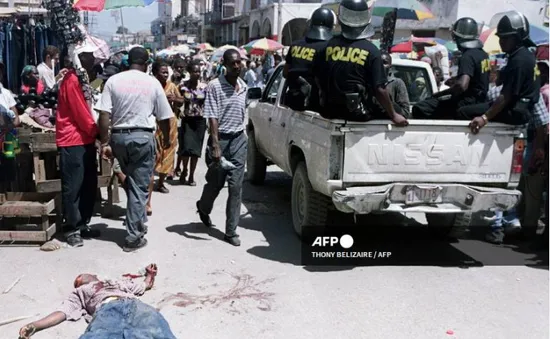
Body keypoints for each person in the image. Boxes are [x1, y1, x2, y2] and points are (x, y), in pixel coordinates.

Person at [96, 47, 173, 252]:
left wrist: (105, 143)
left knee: (131, 181)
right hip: (142, 137)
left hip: (119, 137)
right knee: (139, 186)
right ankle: (133, 237)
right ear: (147, 64)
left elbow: (104, 115)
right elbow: (165, 117)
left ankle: (136, 220)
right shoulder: (153, 82)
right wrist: (165, 140)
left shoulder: (113, 81)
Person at [312, 0, 408, 125]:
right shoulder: (372, 51)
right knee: (402, 112)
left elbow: (317, 77)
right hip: (358, 114)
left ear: (340, 20)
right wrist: (394, 115)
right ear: (366, 20)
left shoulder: (326, 47)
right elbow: (379, 89)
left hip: (329, 111)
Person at [18, 264, 177, 339]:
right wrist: (34, 326)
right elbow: (62, 313)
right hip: (107, 310)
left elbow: (144, 285)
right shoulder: (80, 292)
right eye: (77, 280)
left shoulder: (117, 282)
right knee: (99, 335)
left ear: (94, 275)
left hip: (134, 305)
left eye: (80, 275)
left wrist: (150, 274)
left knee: (156, 329)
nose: (79, 278)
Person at [196, 49, 248, 247]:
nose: (236, 66)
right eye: (232, 63)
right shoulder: (215, 86)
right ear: (224, 64)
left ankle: (231, 231)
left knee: (236, 187)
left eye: (239, 63)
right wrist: (216, 144)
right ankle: (203, 207)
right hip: (221, 140)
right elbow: (212, 116)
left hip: (238, 140)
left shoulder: (243, 86)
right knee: (215, 184)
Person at [56, 48, 101, 248]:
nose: (93, 59)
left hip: (85, 139)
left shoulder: (81, 80)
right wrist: (96, 130)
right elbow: (81, 113)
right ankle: (72, 227)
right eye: (89, 56)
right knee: (73, 186)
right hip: (73, 139)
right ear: (81, 58)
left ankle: (83, 223)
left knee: (88, 184)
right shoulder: (72, 80)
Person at [412, 17, 490, 120]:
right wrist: (455, 79)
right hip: (481, 101)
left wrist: (440, 94)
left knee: (419, 108)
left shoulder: (467, 56)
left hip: (467, 102)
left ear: (457, 37)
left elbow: (462, 86)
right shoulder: (483, 54)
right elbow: (477, 78)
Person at [284, 7, 334, 112]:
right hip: (316, 107)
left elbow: (285, 73)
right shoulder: (328, 47)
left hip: (294, 103)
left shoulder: (295, 45)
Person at [151, 61, 180, 194]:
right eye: (162, 72)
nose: (165, 75)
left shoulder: (172, 86)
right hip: (154, 122)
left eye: (166, 72)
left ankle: (161, 182)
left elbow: (181, 100)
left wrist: (175, 98)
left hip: (170, 122)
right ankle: (148, 181)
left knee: (168, 151)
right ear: (155, 73)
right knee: (154, 152)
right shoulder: (152, 86)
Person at [177, 60, 208, 186]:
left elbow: (209, 104)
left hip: (200, 121)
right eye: (194, 71)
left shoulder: (204, 87)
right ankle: (184, 170)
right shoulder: (183, 86)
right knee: (186, 149)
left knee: (195, 151)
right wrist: (179, 111)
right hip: (187, 120)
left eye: (198, 71)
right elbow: (177, 102)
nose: (197, 74)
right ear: (189, 72)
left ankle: (191, 175)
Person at [0, 61, 21, 192]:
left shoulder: (6, 93)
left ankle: (7, 196)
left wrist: (9, 126)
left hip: (6, 136)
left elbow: (16, 117)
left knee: (8, 166)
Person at [372, 53, 411, 117]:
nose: (381, 66)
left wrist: (387, 101)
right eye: (378, 63)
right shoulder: (370, 82)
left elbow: (405, 112)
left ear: (390, 66)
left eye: (384, 63)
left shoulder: (397, 83)